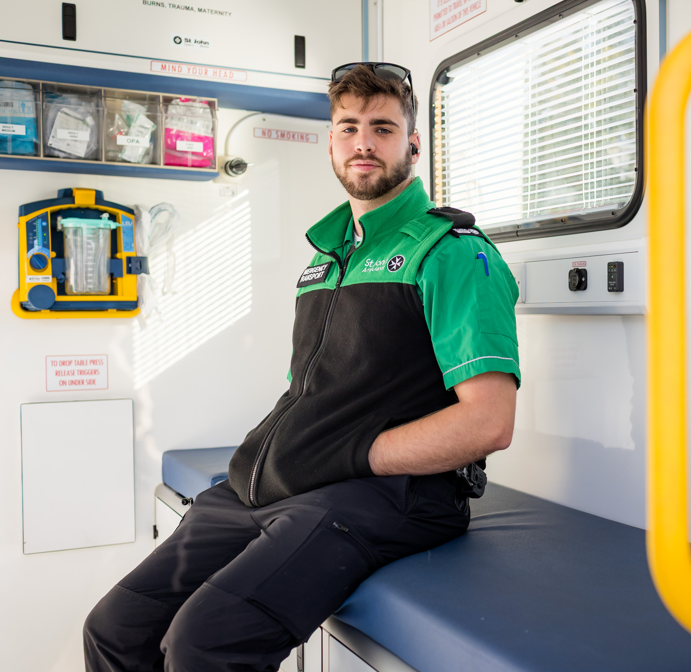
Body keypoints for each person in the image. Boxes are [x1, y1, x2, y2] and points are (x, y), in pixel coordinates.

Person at [83, 63, 520, 671]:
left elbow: (488, 425)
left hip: (391, 495)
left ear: (413, 145)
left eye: (383, 128)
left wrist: (346, 454)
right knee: (115, 627)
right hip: (279, 487)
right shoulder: (324, 261)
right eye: (348, 127)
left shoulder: (452, 254)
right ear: (332, 141)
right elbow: (307, 391)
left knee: (205, 641)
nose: (363, 142)